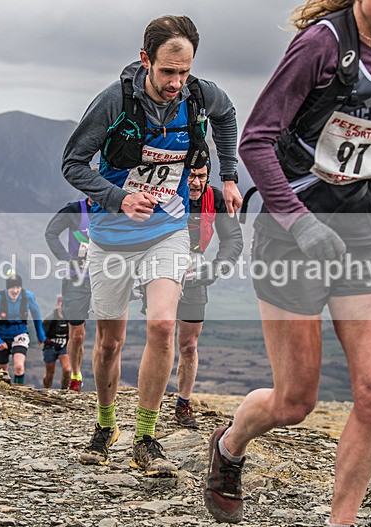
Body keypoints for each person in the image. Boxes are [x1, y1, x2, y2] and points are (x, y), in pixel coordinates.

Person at [203, 0, 371, 527]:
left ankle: (340, 524)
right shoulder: (320, 46)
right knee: (293, 402)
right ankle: (231, 444)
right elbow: (257, 139)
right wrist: (300, 221)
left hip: (366, 240)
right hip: (291, 242)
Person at [62, 14, 241, 477]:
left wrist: (228, 176)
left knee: (162, 326)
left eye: (184, 72)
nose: (176, 83)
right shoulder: (112, 101)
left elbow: (226, 116)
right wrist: (118, 197)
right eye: (167, 72)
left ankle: (146, 435)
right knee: (109, 342)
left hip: (168, 230)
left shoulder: (200, 94)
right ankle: (105, 426)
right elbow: (74, 164)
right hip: (112, 236)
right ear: (146, 60)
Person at [170, 160, 243, 428]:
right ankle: (149, 404)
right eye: (190, 176)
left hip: (196, 273)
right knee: (162, 336)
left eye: (201, 176)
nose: (196, 183)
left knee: (189, 345)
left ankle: (183, 404)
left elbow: (234, 239)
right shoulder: (166, 192)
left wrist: (215, 269)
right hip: (161, 270)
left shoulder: (216, 198)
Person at [44, 197, 93, 391]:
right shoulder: (74, 210)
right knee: (77, 335)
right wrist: (66, 258)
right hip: (77, 279)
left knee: (108, 336)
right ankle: (75, 375)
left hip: (105, 278)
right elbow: (51, 233)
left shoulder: (115, 208)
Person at [0, 275, 46, 385]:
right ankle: (2, 394)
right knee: (2, 370)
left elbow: (37, 315)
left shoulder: (28, 297)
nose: (15, 291)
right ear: (7, 288)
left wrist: (40, 335)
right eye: (12, 288)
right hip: (2, 335)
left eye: (18, 287)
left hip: (20, 333)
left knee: (19, 367)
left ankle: (18, 391)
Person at [41, 295, 72, 389]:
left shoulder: (71, 318)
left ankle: (64, 389)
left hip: (64, 345)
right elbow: (41, 335)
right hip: (50, 345)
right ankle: (46, 389)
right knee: (50, 373)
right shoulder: (50, 318)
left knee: (67, 369)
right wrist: (49, 343)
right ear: (58, 305)